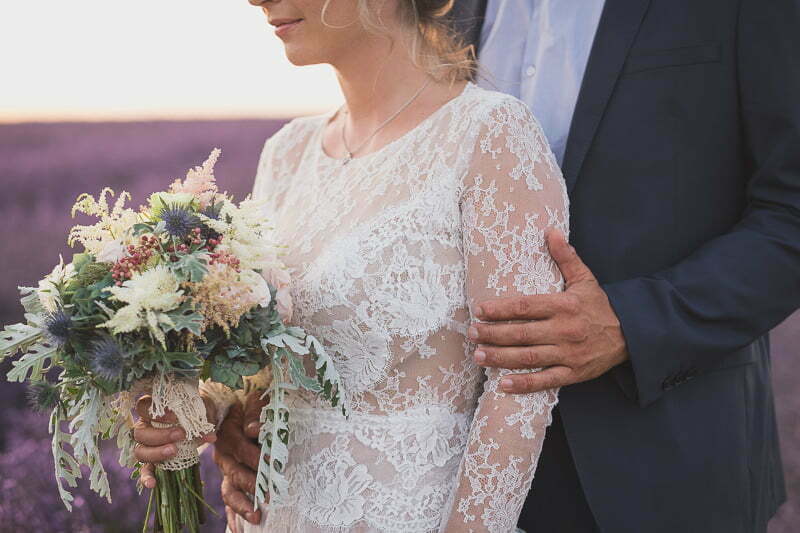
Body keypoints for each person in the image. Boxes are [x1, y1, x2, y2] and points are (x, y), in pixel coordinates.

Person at [132, 1, 571, 532]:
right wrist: (202, 411)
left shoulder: (489, 133)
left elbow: (521, 381)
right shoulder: (288, 152)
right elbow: (261, 358)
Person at [447, 1, 796, 533]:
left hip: (659, 458)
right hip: (445, 466)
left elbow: (790, 210)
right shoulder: (438, 9)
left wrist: (632, 323)